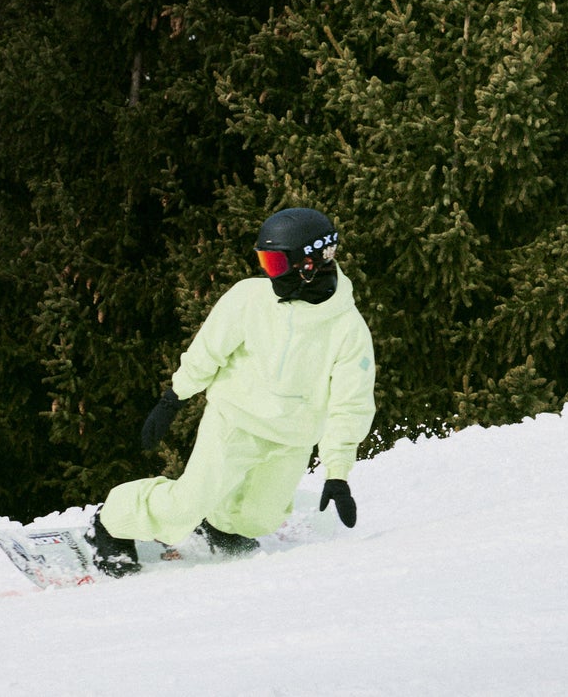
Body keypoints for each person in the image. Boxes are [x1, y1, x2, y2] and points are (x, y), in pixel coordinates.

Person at [84, 207, 377, 576]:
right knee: (186, 505)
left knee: (258, 518)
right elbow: (208, 351)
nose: (269, 274)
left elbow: (349, 405)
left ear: (309, 264)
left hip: (292, 438)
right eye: (264, 262)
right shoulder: (250, 298)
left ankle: (220, 526)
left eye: (275, 263)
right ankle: (111, 522)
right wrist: (173, 398)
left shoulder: (348, 330)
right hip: (234, 420)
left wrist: (337, 472)